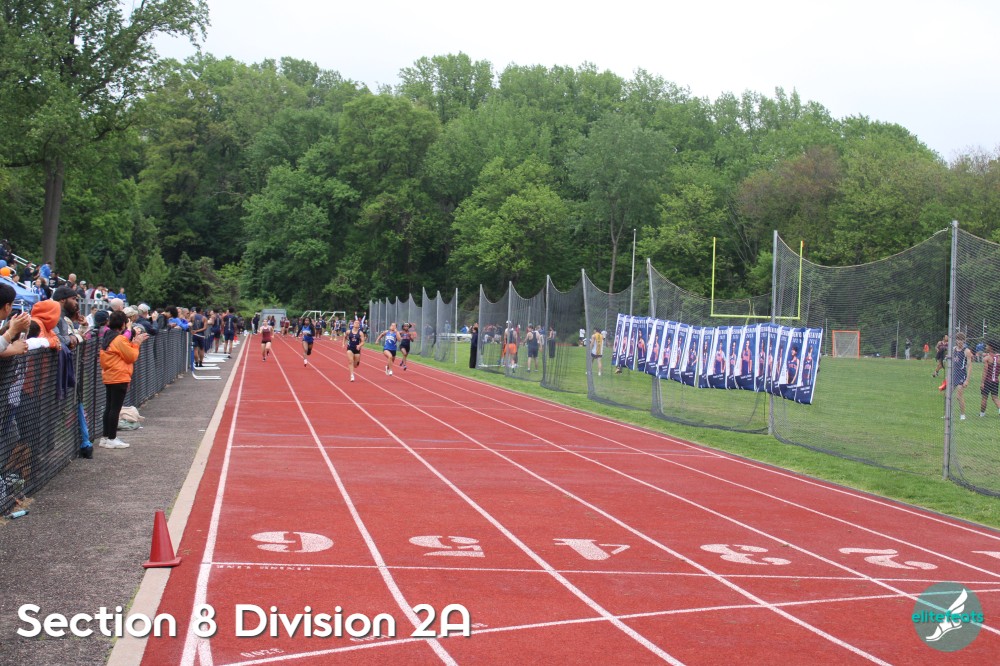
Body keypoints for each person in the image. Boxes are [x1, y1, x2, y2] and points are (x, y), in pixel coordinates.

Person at [99, 310, 149, 449]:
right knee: (115, 409)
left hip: (110, 375)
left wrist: (132, 343)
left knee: (109, 408)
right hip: (119, 376)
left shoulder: (108, 337)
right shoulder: (119, 339)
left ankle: (106, 437)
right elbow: (131, 356)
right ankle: (112, 438)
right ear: (122, 324)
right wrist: (137, 343)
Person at [949, 332, 974, 420]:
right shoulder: (953, 349)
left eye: (961, 340)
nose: (959, 342)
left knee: (959, 396)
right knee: (947, 395)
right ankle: (948, 414)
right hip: (953, 375)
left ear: (964, 341)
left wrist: (967, 380)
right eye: (958, 340)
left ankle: (962, 415)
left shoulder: (966, 351)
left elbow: (970, 366)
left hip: (961, 375)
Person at [980, 340, 1000, 417]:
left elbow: (985, 370)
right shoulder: (999, 358)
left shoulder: (987, 358)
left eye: (987, 346)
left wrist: (982, 382)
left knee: (984, 397)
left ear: (990, 347)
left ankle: (982, 414)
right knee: (995, 398)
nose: (986, 347)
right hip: (995, 381)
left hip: (987, 381)